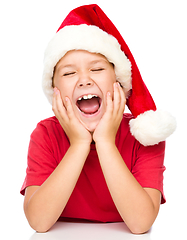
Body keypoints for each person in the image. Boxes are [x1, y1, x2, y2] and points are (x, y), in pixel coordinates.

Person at [20, 4, 176, 234]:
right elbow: (39, 223)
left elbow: (141, 224)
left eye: (97, 69)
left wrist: (104, 141)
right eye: (69, 73)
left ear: (119, 82)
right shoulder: (45, 134)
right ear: (55, 91)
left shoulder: (144, 135)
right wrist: (79, 143)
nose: (84, 80)